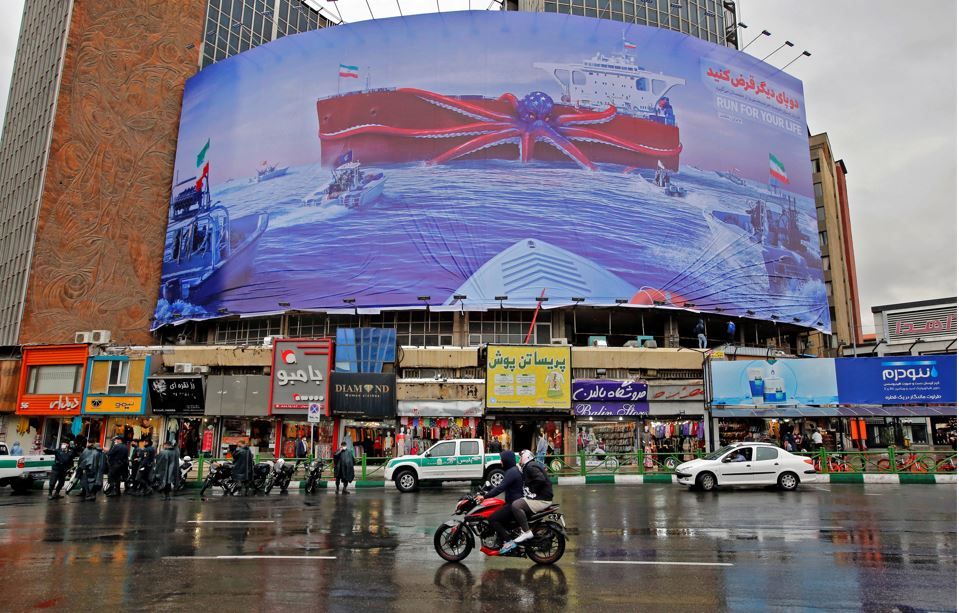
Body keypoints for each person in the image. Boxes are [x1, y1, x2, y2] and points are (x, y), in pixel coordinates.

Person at [500, 450, 554, 554]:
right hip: (541, 497)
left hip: (542, 499)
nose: (519, 460)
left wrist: (533, 492)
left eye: (520, 457)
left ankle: (526, 531)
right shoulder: (529, 466)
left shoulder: (530, 466)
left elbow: (540, 479)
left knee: (516, 505)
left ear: (526, 457)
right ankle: (521, 529)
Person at [476, 450, 524, 547]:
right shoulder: (513, 470)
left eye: (502, 460)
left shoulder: (511, 472)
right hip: (515, 502)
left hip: (514, 504)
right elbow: (501, 486)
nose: (501, 462)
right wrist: (489, 489)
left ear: (507, 460)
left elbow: (500, 488)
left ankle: (509, 542)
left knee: (492, 519)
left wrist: (484, 497)